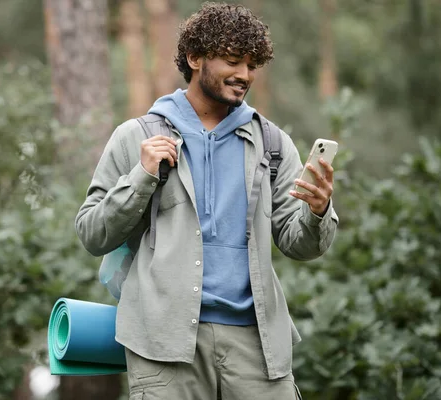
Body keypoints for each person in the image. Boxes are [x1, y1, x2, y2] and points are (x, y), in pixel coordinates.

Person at [76, 2, 338, 399]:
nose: (244, 75)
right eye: (233, 61)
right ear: (194, 58)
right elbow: (92, 234)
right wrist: (142, 176)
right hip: (162, 345)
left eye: (252, 65)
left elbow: (299, 245)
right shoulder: (136, 136)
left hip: (258, 347)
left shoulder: (273, 145)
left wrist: (317, 212)